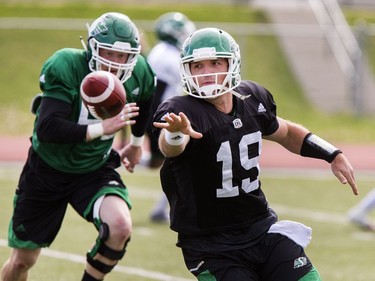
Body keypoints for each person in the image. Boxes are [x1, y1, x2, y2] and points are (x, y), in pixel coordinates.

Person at [152, 27, 358, 281]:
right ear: (187, 70)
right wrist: (175, 133)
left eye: (215, 63)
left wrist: (331, 153)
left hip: (261, 229)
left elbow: (285, 132)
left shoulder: (252, 99)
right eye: (198, 66)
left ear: (232, 64)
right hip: (211, 244)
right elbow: (171, 148)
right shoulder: (182, 111)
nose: (207, 73)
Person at [1, 12, 155, 281]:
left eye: (123, 56)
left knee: (119, 226)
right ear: (92, 47)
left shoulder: (139, 70)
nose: (116, 63)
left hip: (94, 167)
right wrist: (101, 128)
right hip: (47, 169)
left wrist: (136, 142)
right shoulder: (67, 64)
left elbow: (146, 97)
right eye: (109, 53)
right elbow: (47, 128)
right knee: (22, 262)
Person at [146, 12, 196, 222]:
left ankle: (162, 208)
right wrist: (154, 124)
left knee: (161, 162)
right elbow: (157, 92)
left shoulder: (161, 51)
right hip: (163, 117)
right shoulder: (167, 56)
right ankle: (164, 209)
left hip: (161, 115)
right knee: (183, 161)